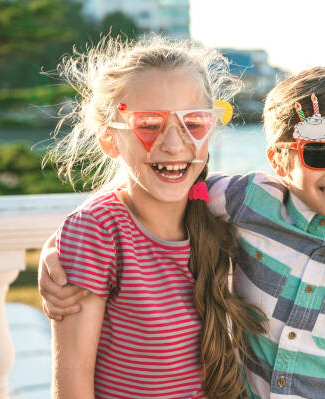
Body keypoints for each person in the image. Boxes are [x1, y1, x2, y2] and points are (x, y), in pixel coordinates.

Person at [38, 66, 325, 399]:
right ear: (279, 162)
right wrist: (61, 247)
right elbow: (149, 191)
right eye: (317, 150)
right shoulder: (247, 201)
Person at [46, 35, 267, 398]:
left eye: (193, 123)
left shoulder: (222, 210)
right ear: (109, 139)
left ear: (211, 129)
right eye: (148, 124)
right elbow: (72, 380)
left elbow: (313, 198)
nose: (173, 144)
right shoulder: (98, 231)